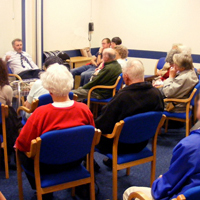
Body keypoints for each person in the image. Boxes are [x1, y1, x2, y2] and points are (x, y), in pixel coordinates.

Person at [15, 64, 94, 199]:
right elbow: (91, 137)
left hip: (46, 166)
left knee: (18, 149)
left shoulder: (41, 113)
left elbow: (23, 144)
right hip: (75, 160)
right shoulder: (84, 109)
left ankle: (41, 189)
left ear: (49, 89)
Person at [123, 99, 200, 200]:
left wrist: (160, 182)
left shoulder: (190, 145)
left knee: (130, 192)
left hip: (184, 194)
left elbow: (168, 186)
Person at [95, 59, 164, 158]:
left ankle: (89, 166)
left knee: (87, 133)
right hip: (142, 142)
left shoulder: (123, 97)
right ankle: (112, 163)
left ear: (126, 77)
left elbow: (103, 125)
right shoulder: (156, 93)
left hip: (118, 145)